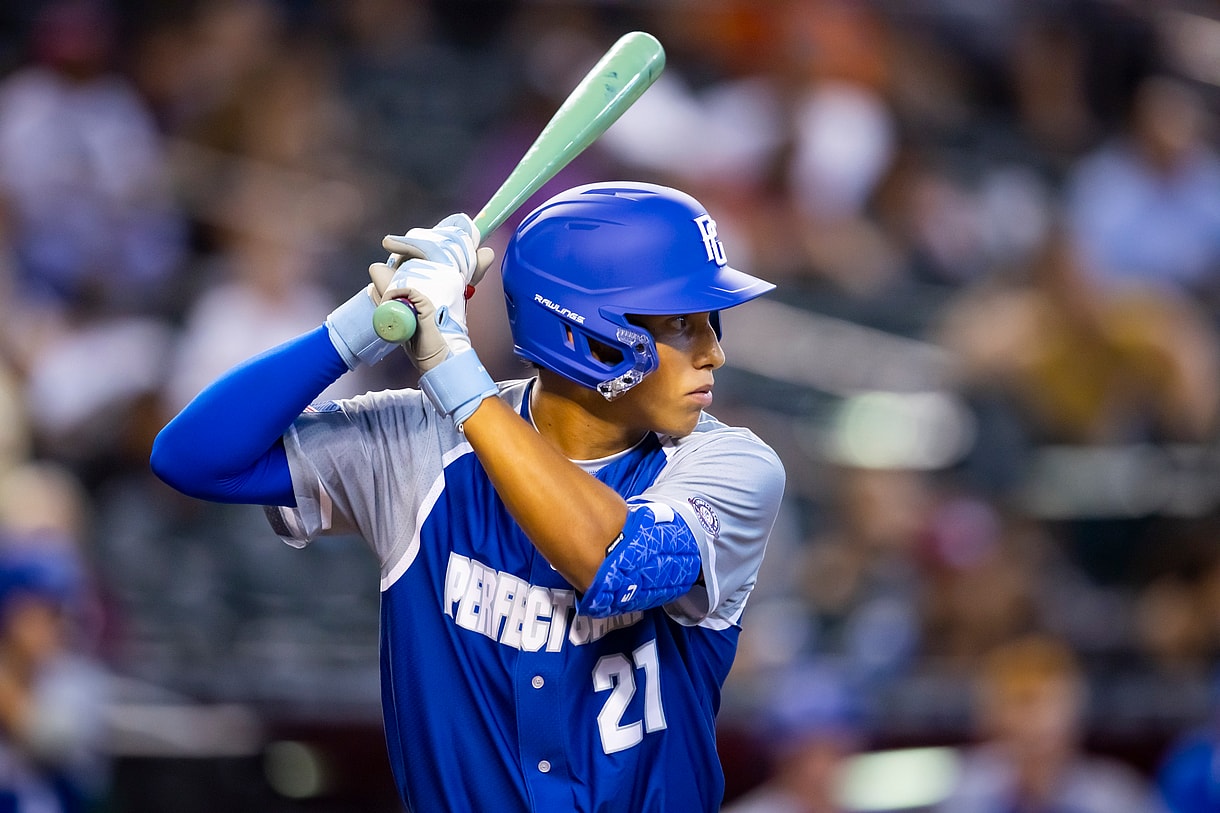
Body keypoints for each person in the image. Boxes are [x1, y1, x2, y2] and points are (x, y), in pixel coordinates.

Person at [150, 180, 786, 812]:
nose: (714, 352)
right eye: (681, 323)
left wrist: (453, 368)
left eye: (711, 322)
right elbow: (193, 459)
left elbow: (615, 561)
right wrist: (358, 325)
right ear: (587, 333)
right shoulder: (422, 444)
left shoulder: (732, 466)